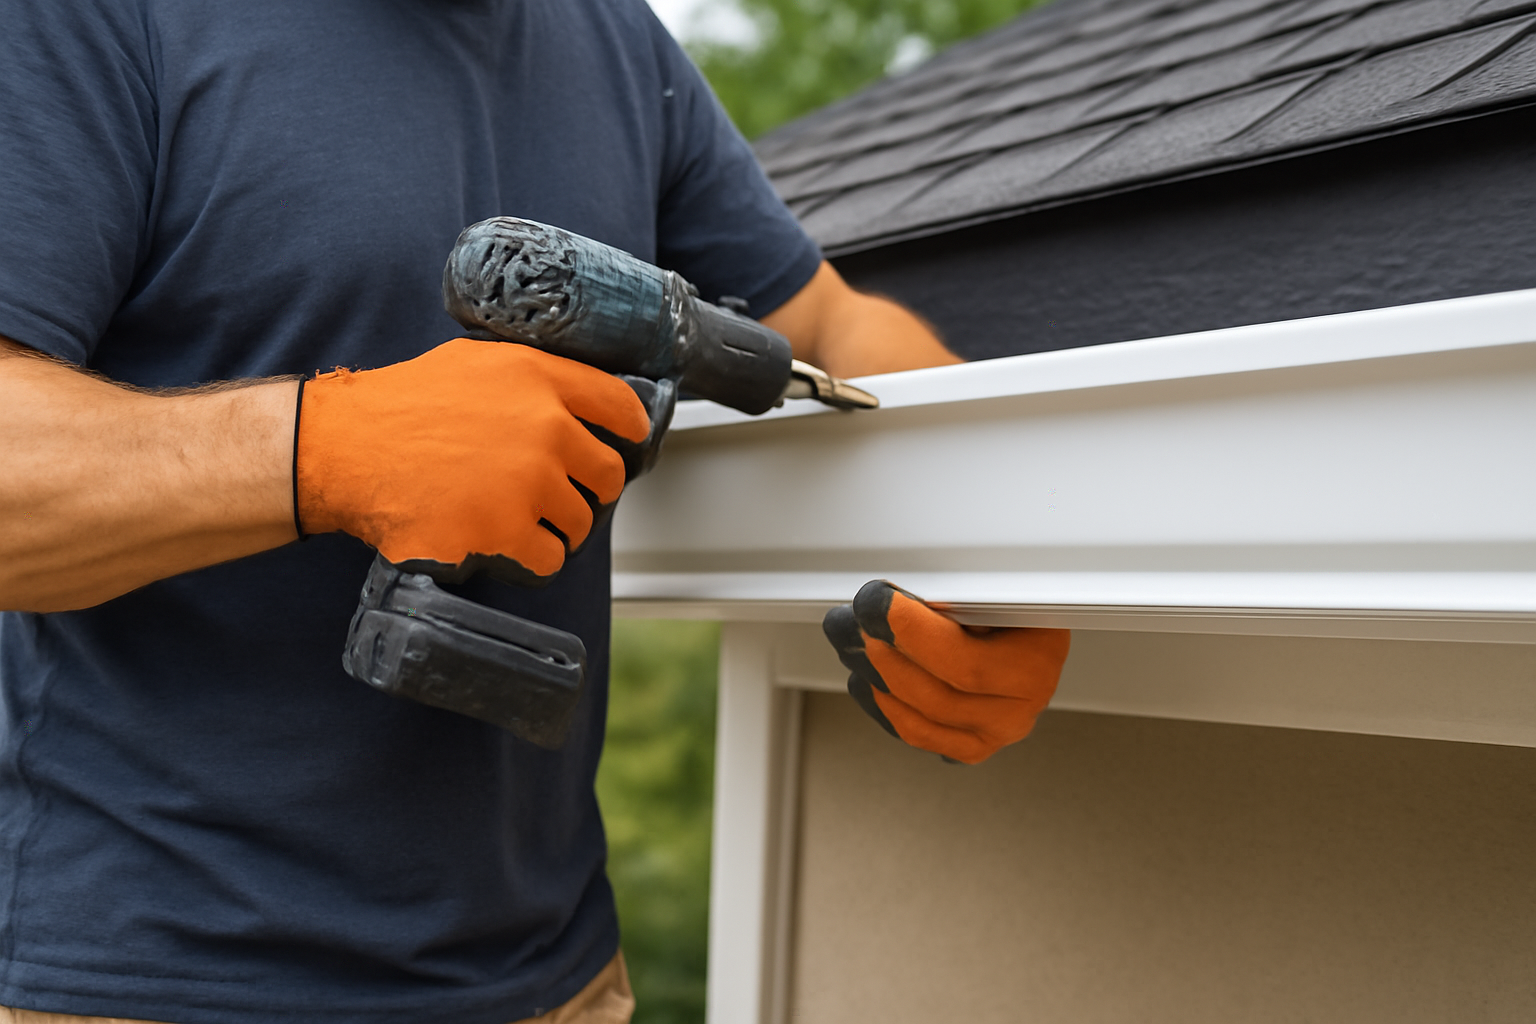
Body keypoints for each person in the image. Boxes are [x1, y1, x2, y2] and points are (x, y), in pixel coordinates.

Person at [0, 1, 1068, 1021]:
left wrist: (999, 574)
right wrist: (328, 448)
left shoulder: (612, 36)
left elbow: (835, 322)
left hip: (559, 981)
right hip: (142, 985)